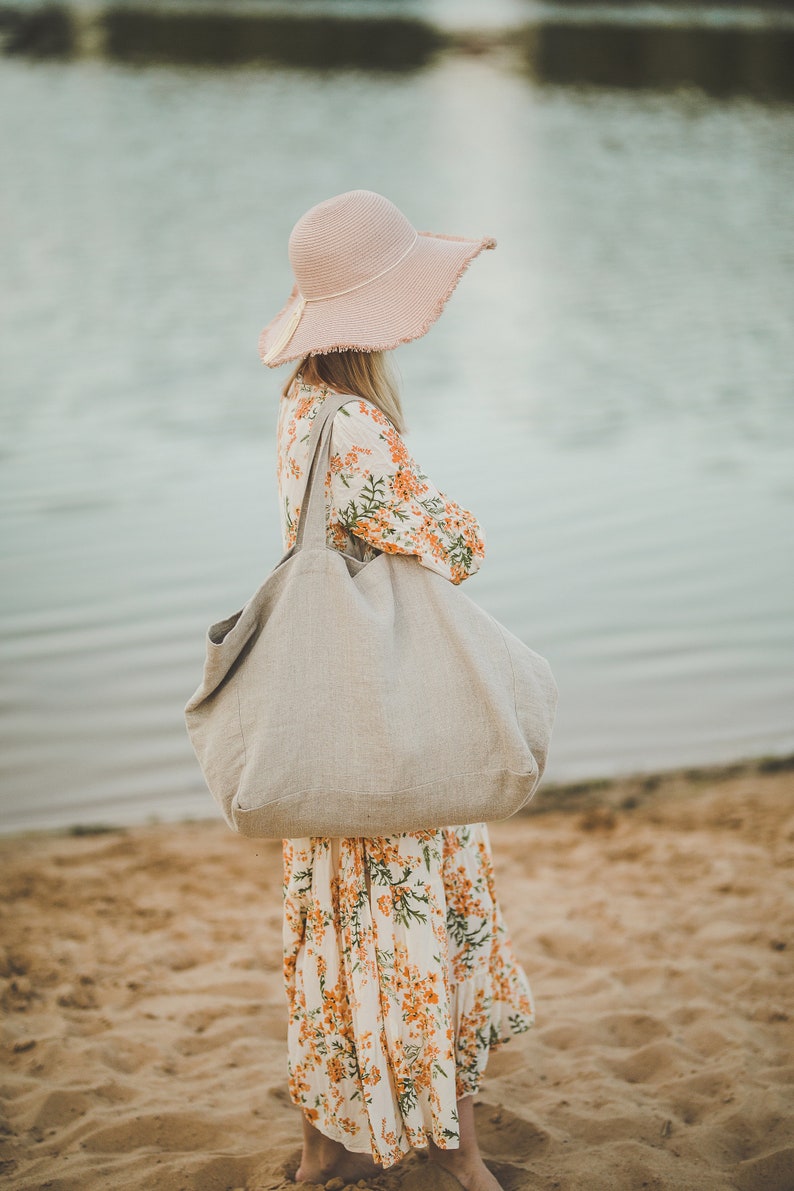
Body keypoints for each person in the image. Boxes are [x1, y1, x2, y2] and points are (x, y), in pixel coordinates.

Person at [259, 190, 534, 1191]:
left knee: (327, 930)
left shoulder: (299, 410)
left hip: (324, 709)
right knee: (419, 924)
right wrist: (460, 518)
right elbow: (451, 544)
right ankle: (459, 1161)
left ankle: (319, 1150)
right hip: (387, 717)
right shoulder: (362, 429)